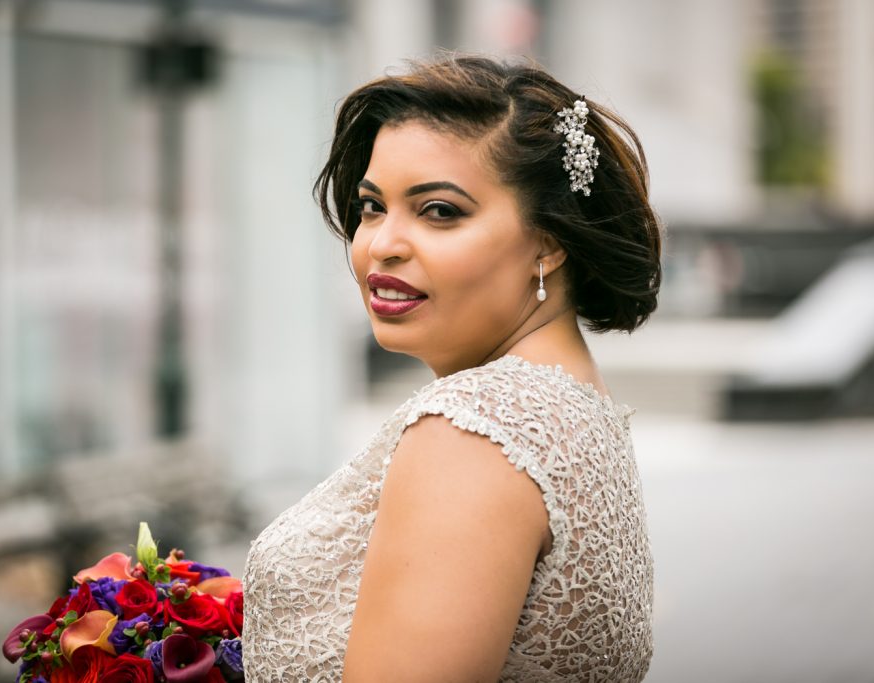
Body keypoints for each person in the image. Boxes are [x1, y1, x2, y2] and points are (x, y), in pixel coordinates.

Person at [242, 54, 661, 682]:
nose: (382, 243)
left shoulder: (473, 433)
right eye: (371, 206)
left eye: (439, 210)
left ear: (549, 242)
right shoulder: (574, 411)